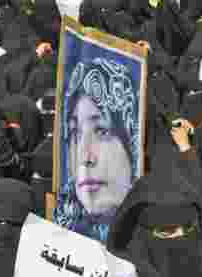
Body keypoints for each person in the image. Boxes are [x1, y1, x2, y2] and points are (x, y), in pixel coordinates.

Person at [55, 57, 140, 242]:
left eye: (102, 131)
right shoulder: (57, 238)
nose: (84, 157)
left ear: (132, 142)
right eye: (75, 133)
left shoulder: (154, 240)